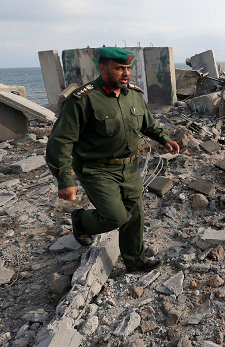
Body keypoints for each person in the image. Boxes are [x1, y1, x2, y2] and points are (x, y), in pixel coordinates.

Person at [46, 47, 180, 273]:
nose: (125, 73)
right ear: (103, 68)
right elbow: (60, 141)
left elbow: (148, 124)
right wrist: (65, 178)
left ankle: (135, 261)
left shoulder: (134, 94)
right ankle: (81, 221)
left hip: (129, 167)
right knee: (115, 217)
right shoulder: (83, 99)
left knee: (135, 214)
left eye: (128, 68)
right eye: (119, 68)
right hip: (96, 169)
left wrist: (164, 139)